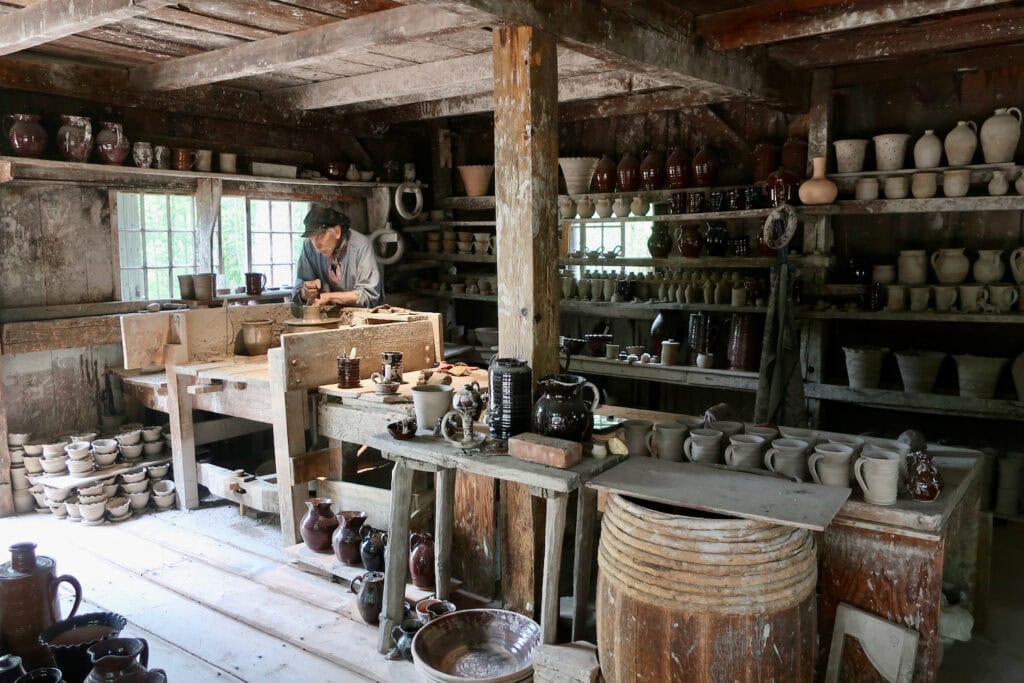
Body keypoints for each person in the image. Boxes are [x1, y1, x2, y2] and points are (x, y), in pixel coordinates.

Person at [293, 206, 384, 308]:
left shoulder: (361, 246)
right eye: (311, 239)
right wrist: (305, 293)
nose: (316, 246)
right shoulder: (308, 246)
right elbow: (299, 288)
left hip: (362, 317)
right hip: (326, 317)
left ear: (337, 232)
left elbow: (369, 295)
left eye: (320, 237)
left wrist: (329, 297)